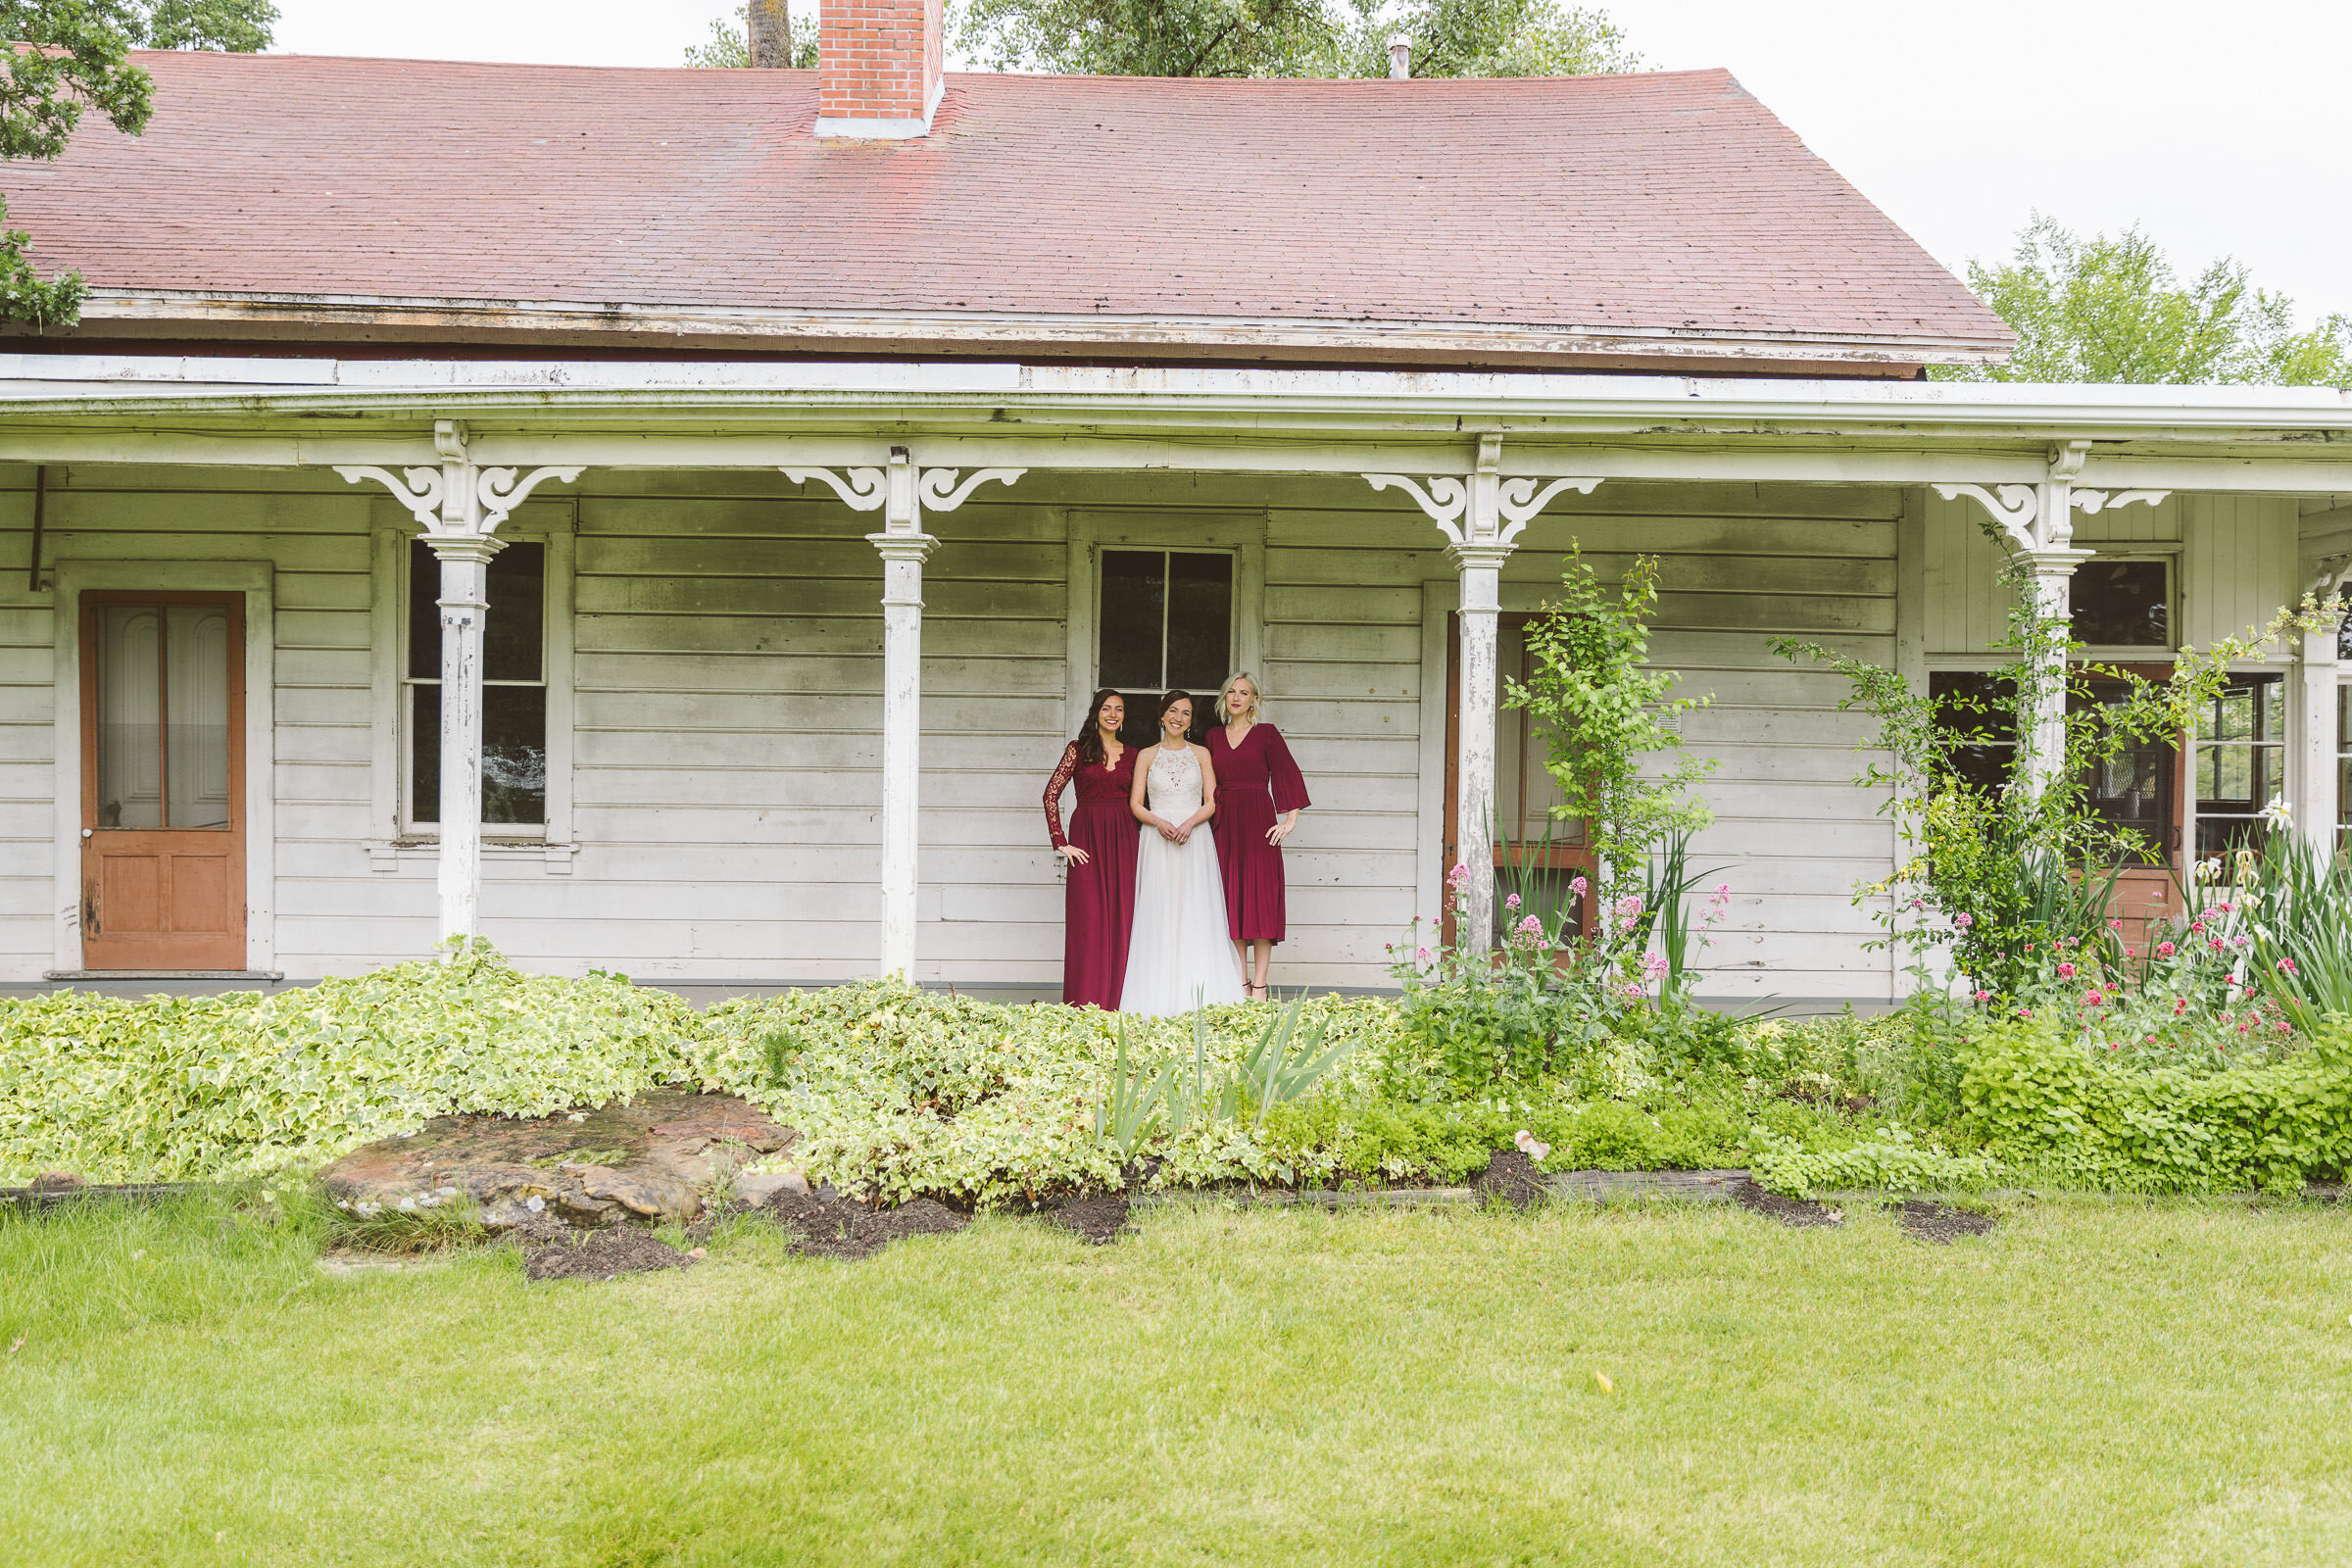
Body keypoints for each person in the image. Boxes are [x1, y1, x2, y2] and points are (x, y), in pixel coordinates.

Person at [1118, 690, 1248, 1015]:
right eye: (1173, 711)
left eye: (1186, 713)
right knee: (1159, 910)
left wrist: (1190, 823)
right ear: (1162, 716)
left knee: (1196, 909)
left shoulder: (1201, 753)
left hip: (1195, 839)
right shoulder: (1146, 755)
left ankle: (1200, 991)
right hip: (1156, 839)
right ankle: (1156, 992)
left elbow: (1211, 801)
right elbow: (1135, 803)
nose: (1178, 718)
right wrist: (1158, 822)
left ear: (1191, 721)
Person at [1206, 672, 1310, 1000]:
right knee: (1231, 902)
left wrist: (1290, 820)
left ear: (1254, 700)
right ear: (1224, 698)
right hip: (1223, 825)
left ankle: (1261, 985)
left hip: (1259, 823)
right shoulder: (1211, 736)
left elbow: (1288, 772)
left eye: (1244, 693)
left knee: (1260, 903)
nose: (1236, 697)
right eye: (1231, 692)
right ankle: (1240, 982)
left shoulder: (1265, 734)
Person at [1044, 689, 1140, 1009]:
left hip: (1125, 838)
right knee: (1089, 919)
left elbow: (1146, 801)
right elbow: (1050, 795)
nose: (1113, 714)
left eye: (1120, 709)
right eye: (1107, 708)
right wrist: (1061, 842)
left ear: (1124, 717)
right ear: (1096, 712)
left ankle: (1120, 1000)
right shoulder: (1078, 749)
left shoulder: (1135, 754)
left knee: (1124, 917)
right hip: (1086, 838)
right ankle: (1085, 1001)